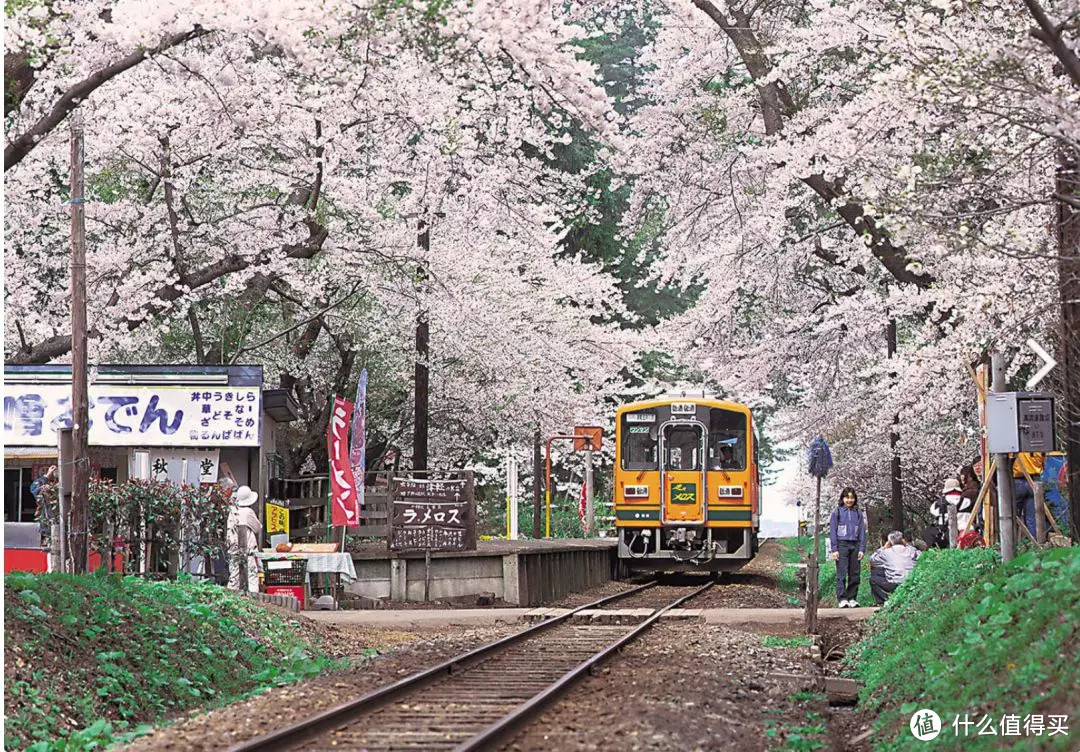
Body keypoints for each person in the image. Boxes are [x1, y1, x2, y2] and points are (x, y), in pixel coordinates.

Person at [829, 487, 866, 608]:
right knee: (842, 572)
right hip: (842, 544)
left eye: (852, 497)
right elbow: (833, 531)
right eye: (847, 497)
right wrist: (834, 549)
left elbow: (862, 532)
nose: (849, 500)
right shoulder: (837, 512)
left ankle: (852, 597)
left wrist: (861, 548)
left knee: (855, 572)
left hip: (855, 544)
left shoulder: (858, 513)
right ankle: (842, 598)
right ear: (843, 498)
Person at [869, 531, 919, 605]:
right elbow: (921, 556)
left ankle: (884, 600)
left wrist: (883, 547)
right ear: (902, 540)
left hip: (894, 583)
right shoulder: (911, 550)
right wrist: (907, 545)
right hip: (910, 582)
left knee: (873, 578)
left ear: (889, 542)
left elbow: (872, 560)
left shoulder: (886, 552)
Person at [227, 485, 261, 593]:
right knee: (251, 572)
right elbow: (257, 528)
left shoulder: (231, 511)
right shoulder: (248, 512)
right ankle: (254, 596)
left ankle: (231, 595)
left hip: (233, 545)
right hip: (248, 547)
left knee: (234, 573)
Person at [1012, 452, 1045, 537]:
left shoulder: (1017, 446)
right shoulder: (1039, 445)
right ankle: (1034, 543)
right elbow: (1043, 460)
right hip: (1035, 479)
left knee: (1013, 515)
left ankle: (1012, 543)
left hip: (1018, 479)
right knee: (1033, 517)